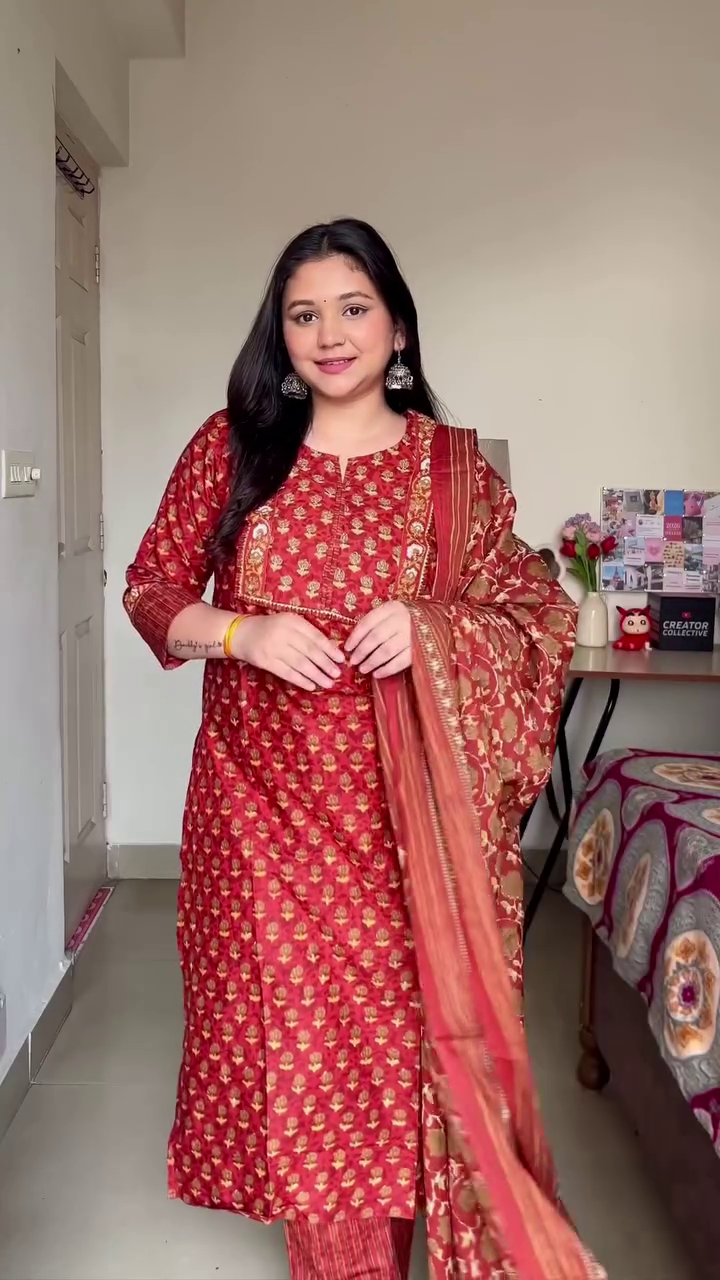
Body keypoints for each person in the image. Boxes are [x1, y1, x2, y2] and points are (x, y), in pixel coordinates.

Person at [125, 219, 602, 1280]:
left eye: (353, 308)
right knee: (300, 1056)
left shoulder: (454, 473)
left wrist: (433, 628)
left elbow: (534, 615)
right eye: (304, 314)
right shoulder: (232, 446)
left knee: (393, 1065)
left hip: (405, 831)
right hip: (260, 816)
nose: (329, 334)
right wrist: (244, 633)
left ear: (397, 329)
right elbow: (152, 591)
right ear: (280, 334)